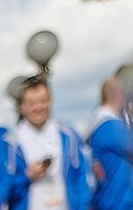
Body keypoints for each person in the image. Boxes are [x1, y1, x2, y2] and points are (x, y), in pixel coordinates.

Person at [6, 79, 89, 210]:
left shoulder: (68, 135)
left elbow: (81, 175)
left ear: (51, 101)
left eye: (43, 101)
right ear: (21, 107)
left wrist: (83, 206)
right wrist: (27, 176)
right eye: (31, 103)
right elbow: (5, 187)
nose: (38, 108)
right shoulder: (11, 143)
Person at [84, 77, 133, 210]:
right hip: (122, 203)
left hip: (108, 202)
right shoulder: (111, 127)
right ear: (121, 95)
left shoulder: (98, 126)